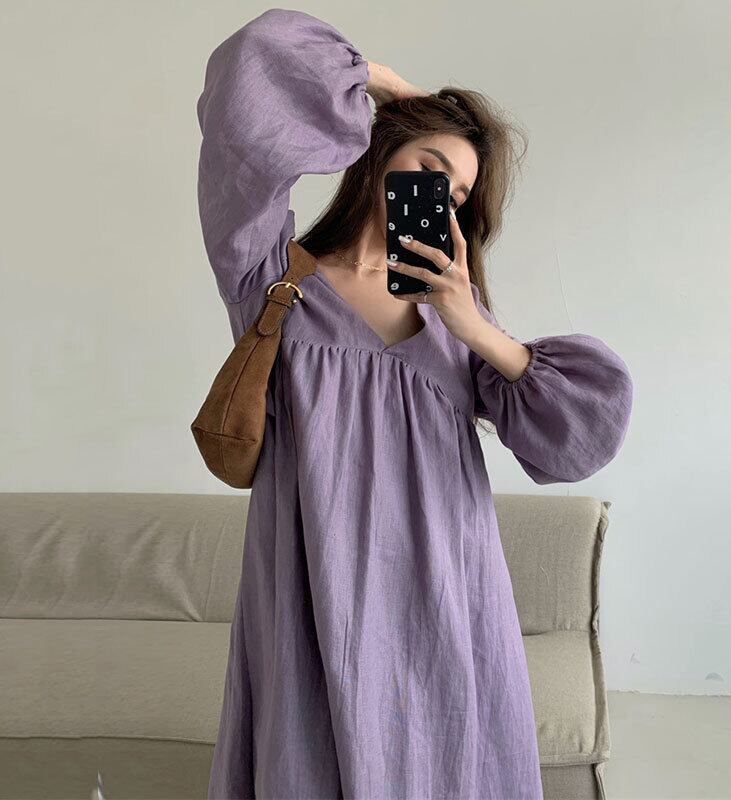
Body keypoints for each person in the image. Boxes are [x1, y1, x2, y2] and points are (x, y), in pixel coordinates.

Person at [197, 8, 633, 799]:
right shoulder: (272, 279)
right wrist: (378, 82)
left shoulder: (455, 318)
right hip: (309, 581)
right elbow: (245, 93)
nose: (439, 196)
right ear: (380, 152)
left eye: (456, 193)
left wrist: (473, 324)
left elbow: (581, 436)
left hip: (445, 583)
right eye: (429, 168)